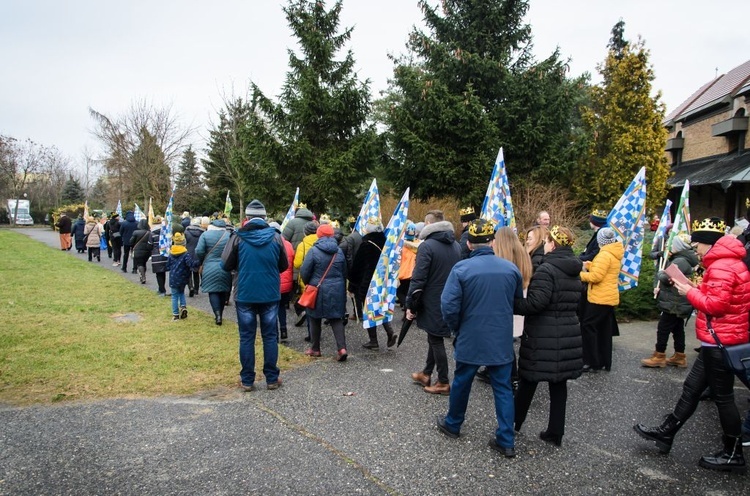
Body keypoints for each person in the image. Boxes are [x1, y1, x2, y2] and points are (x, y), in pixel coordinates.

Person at [635, 217, 750, 473]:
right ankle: (667, 432)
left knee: (723, 398)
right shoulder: (730, 263)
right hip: (720, 339)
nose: (695, 248)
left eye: (697, 243)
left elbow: (716, 306)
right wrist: (696, 288)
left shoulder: (721, 266)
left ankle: (733, 453)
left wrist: (690, 293)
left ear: (709, 244)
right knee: (691, 389)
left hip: (719, 340)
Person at [437, 219, 524, 458]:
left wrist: (457, 328)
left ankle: (453, 424)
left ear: (470, 243)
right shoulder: (510, 269)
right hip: (500, 337)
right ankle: (506, 439)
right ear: (492, 241)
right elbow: (516, 301)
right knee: (503, 388)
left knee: (462, 381)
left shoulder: (462, 269)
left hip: (471, 335)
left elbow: (448, 305)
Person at [513, 226, 583, 447]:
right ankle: (555, 433)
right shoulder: (574, 268)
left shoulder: (547, 269)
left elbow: (536, 303)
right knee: (558, 384)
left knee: (528, 380)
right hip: (568, 330)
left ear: (552, 244)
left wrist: (514, 303)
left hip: (543, 333)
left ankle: (513, 423)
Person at [221, 199, 288, 391]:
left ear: (247, 218)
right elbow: (283, 265)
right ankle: (272, 379)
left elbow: (225, 264)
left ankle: (248, 380)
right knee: (270, 336)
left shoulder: (237, 237)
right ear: (265, 217)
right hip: (269, 293)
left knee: (247, 337)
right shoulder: (276, 237)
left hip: (245, 293)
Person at [407, 211, 461, 395]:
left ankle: (444, 381)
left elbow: (418, 278)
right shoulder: (456, 245)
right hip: (450, 297)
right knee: (434, 335)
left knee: (436, 339)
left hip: (432, 299)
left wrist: (410, 304)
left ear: (429, 223)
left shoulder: (427, 246)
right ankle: (426, 373)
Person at [641, 233, 698, 368]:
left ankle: (659, 355)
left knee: (663, 328)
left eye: (672, 244)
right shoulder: (684, 259)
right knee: (678, 328)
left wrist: (661, 273)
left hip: (674, 301)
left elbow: (666, 277)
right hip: (677, 300)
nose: (669, 245)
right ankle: (679, 355)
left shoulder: (679, 261)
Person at [300, 223, 349, 360]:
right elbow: (344, 272)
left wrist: (309, 284)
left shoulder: (313, 251)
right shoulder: (338, 251)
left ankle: (315, 348)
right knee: (336, 318)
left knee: (314, 317)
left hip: (318, 288)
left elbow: (304, 271)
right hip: (337, 288)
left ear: (319, 235)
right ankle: (342, 348)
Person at [348, 216, 397, 349]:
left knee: (369, 309)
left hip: (368, 283)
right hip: (382, 282)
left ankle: (373, 340)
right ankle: (390, 331)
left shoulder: (366, 244)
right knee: (380, 306)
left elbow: (358, 267)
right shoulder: (386, 242)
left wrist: (352, 284)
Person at [579, 227, 623, 372]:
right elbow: (604, 270)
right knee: (604, 329)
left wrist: (580, 274)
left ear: (600, 241)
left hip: (599, 297)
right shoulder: (613, 253)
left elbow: (596, 277)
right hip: (609, 297)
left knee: (588, 326)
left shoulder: (604, 255)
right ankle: (605, 361)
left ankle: (592, 361)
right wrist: (590, 265)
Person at [196, 218, 232, 325]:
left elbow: (199, 250)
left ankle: (217, 315)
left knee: (213, 291)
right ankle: (220, 312)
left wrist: (203, 259)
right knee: (222, 290)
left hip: (209, 266)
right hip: (225, 266)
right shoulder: (229, 236)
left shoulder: (205, 235)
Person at [269, 221, 294, 340]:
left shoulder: (268, 243)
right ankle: (284, 329)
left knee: (271, 308)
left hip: (273, 282)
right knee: (282, 307)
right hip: (286, 282)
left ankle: (275, 334)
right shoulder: (288, 244)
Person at [167, 232, 200, 321]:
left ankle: (175, 315)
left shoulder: (171, 253)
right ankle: (183, 306)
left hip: (173, 277)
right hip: (183, 277)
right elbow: (191, 264)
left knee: (174, 295)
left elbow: (168, 265)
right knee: (181, 292)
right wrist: (199, 261)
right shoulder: (186, 254)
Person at [396, 222, 419, 310]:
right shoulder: (418, 245)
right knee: (407, 293)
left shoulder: (402, 246)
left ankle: (408, 307)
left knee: (400, 293)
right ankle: (406, 313)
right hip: (414, 273)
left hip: (404, 273)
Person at [185, 217, 205, 297]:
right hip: (198, 254)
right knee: (196, 272)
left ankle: (190, 287)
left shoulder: (186, 232)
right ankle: (196, 289)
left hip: (188, 253)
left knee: (188, 272)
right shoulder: (203, 233)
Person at [149, 217, 169, 296]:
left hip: (156, 255)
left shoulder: (152, 233)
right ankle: (162, 289)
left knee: (158, 273)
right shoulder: (164, 232)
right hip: (164, 254)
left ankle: (161, 289)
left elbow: (149, 245)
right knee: (163, 272)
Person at [130, 219, 152, 284]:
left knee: (139, 264)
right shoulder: (149, 232)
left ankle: (143, 276)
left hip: (138, 250)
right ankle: (143, 275)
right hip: (147, 251)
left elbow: (131, 242)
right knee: (144, 263)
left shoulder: (136, 232)